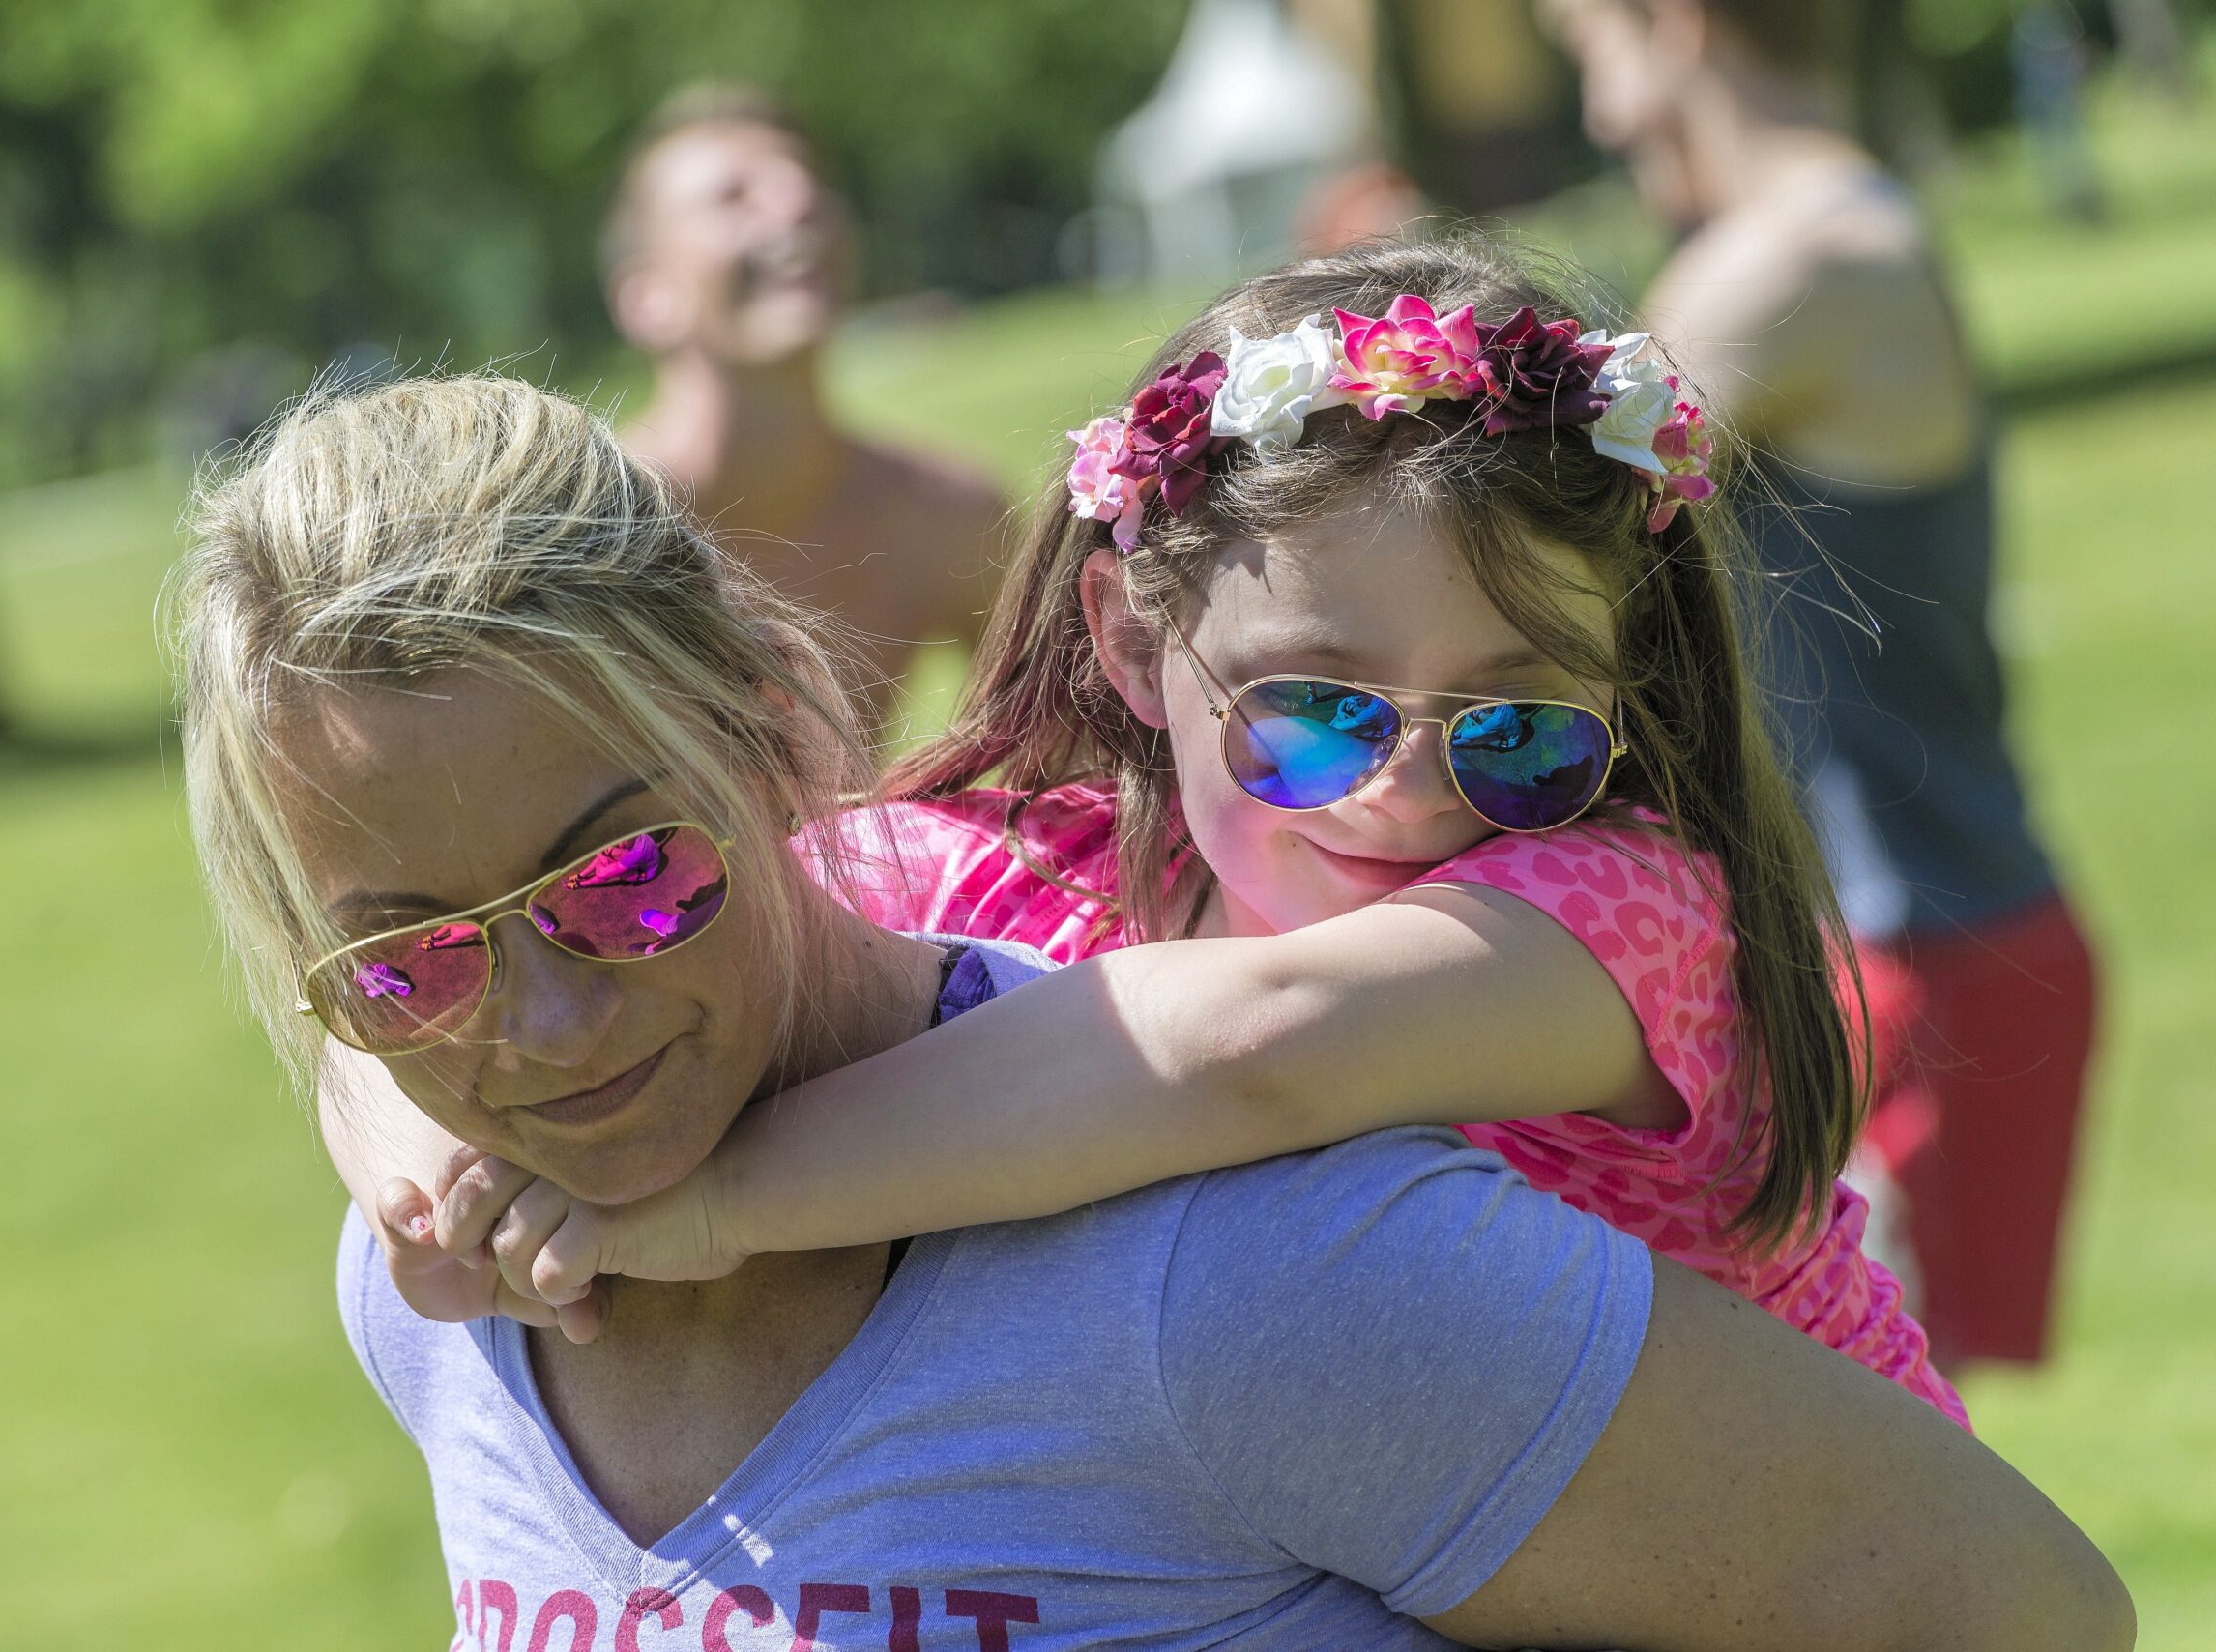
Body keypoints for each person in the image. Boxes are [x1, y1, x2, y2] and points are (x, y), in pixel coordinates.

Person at [175, 371, 2131, 1648]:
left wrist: (704, 1204)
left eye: (622, 877)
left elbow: (2008, 1605)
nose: (534, 1028)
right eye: (404, 955)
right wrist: (413, 1155)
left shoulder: (1258, 1254)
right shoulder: (440, 1284)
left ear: (774, 727)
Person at [360, 236, 1962, 1427]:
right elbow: (539, 946)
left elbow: (1256, 1044)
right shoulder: (1021, 866)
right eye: (1312, 713)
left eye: (1520, 727)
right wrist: (429, 1164)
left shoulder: (1621, 904)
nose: (1403, 791)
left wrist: (704, 1203)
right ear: (1132, 642)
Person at [1542, 0, 2099, 1369]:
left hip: (1914, 956)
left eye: (1588, 53)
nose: (1597, 114)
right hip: (1910, 941)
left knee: (1863, 1461)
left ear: (1668, 28)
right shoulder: (1844, 236)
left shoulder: (1803, 267)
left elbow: (1541, 551)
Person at [601, 84, 1006, 712]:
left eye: (807, 180)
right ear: (647, 296)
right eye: (732, 196)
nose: (799, 201)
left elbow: (1076, 751)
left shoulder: (945, 515)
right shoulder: (591, 541)